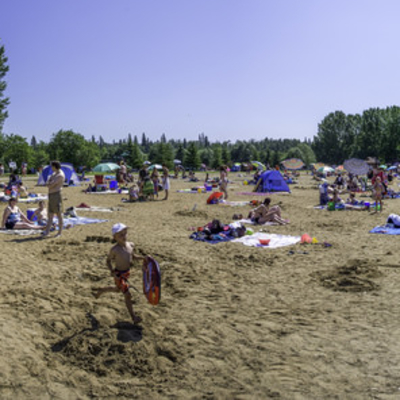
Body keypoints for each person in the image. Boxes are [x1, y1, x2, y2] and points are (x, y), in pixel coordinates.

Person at [92, 223, 148, 324]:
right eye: (120, 235)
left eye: (124, 233)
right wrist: (112, 272)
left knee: (117, 289)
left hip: (127, 273)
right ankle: (133, 317)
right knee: (127, 294)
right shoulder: (115, 250)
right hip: (119, 274)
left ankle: (101, 290)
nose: (123, 236)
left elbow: (133, 256)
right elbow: (108, 261)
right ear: (115, 237)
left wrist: (143, 258)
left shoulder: (131, 245)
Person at [43, 161, 65, 238]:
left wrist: (49, 183)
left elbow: (51, 185)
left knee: (59, 214)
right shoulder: (54, 174)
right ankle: (47, 232)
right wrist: (49, 183)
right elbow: (48, 183)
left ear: (55, 166)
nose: (51, 168)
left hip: (56, 195)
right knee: (50, 214)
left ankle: (59, 233)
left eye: (52, 166)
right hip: (51, 195)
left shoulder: (60, 175)